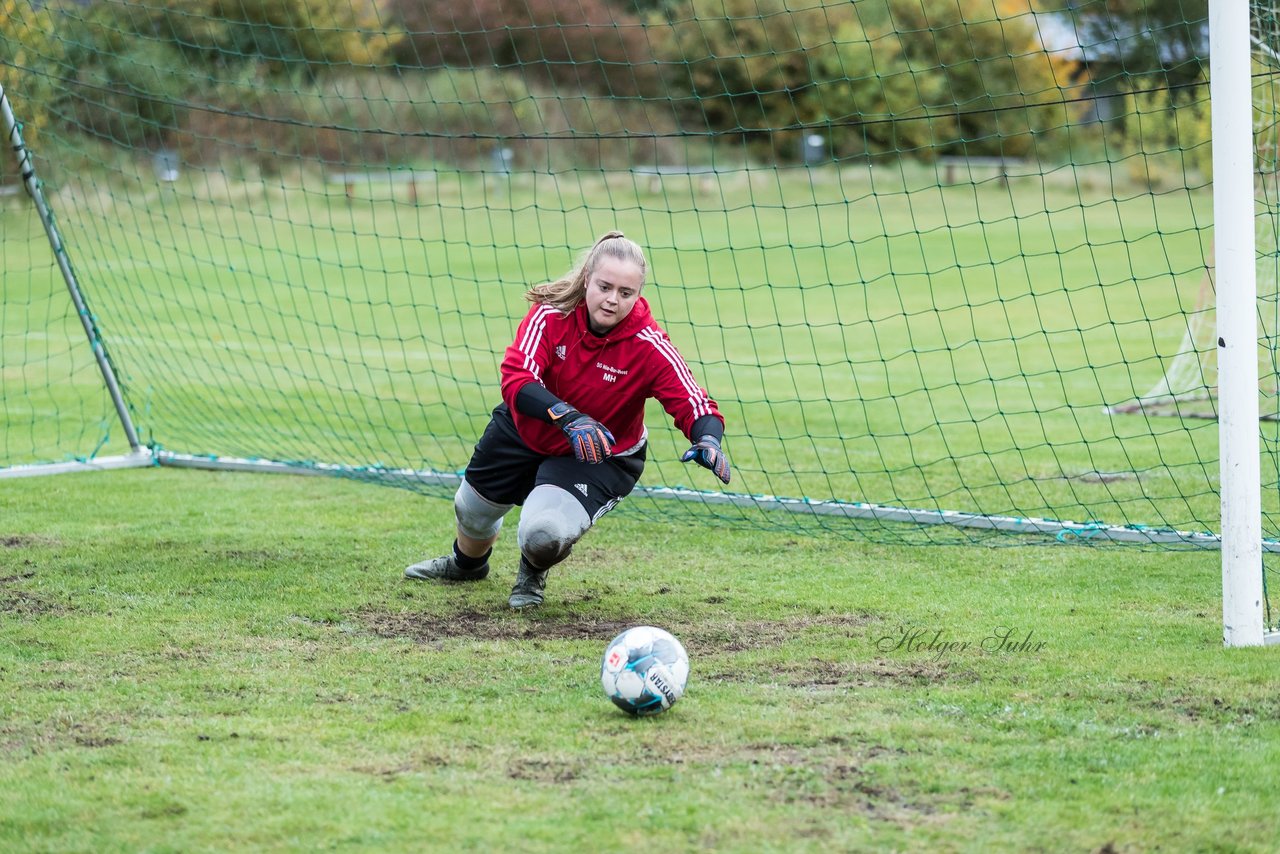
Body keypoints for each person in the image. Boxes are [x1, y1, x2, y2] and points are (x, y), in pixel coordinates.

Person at [405, 230, 731, 609]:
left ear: (638, 294)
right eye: (605, 286)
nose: (612, 300)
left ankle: (532, 572)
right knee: (471, 511)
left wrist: (708, 439)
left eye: (626, 293)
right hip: (527, 430)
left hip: (600, 455)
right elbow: (517, 377)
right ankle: (468, 565)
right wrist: (568, 417)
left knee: (543, 533)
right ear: (587, 278)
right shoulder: (551, 314)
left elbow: (694, 402)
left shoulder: (648, 344)